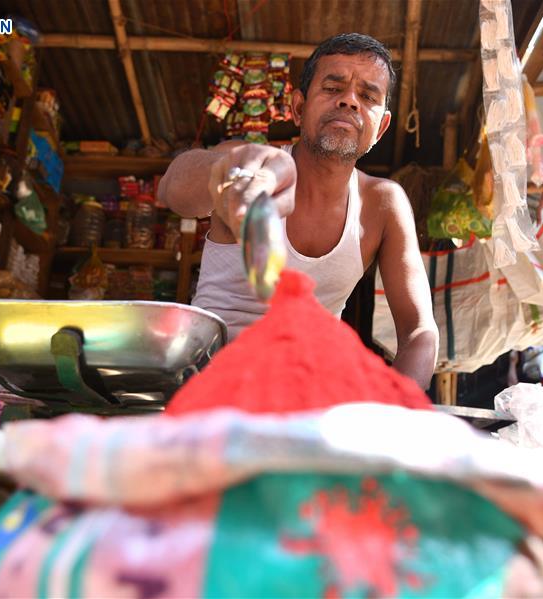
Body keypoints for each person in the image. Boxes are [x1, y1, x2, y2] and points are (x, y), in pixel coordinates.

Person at [160, 33, 438, 389]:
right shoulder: (249, 163)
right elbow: (171, 188)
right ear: (297, 108)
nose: (349, 102)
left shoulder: (383, 203)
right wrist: (225, 174)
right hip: (210, 384)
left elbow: (419, 332)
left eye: (367, 96)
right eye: (333, 88)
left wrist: (397, 414)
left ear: (381, 127)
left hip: (307, 400)